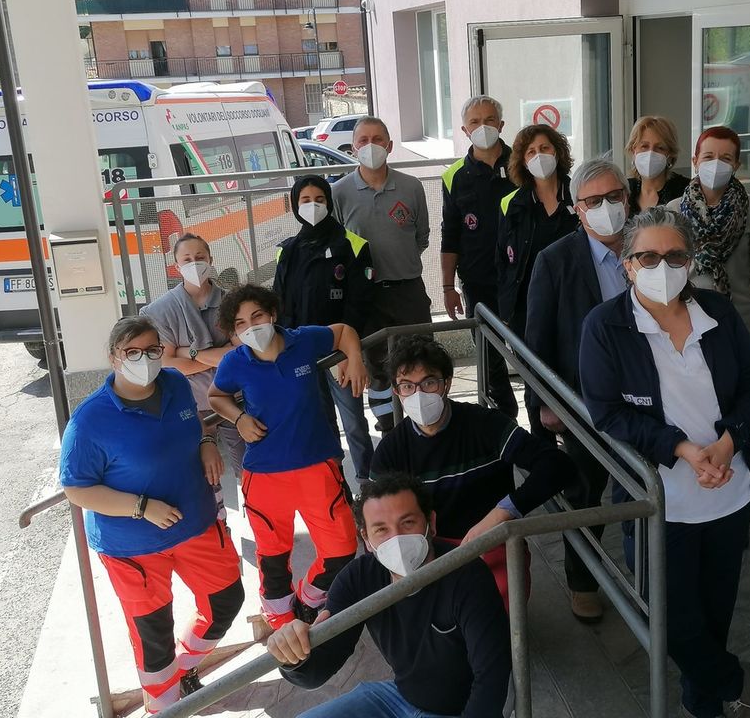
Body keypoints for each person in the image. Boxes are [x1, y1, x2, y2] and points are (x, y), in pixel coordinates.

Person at [580, 208, 750, 718]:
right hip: (657, 505)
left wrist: (728, 443)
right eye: (648, 256)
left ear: (690, 261)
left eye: (674, 255)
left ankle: (702, 705)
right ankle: (733, 681)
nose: (661, 266)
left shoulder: (718, 312)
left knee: (714, 615)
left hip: (728, 495)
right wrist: (681, 448)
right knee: (670, 622)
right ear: (627, 264)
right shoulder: (605, 326)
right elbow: (607, 412)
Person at [60, 317, 244, 713]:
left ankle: (185, 667)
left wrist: (206, 441)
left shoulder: (175, 383)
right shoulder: (89, 420)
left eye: (152, 350)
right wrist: (141, 507)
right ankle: (163, 707)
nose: (144, 359)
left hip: (195, 524)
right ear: (113, 357)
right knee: (153, 637)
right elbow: (76, 489)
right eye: (132, 352)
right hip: (133, 548)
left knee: (227, 600)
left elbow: (195, 420)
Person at [267, 473, 511, 718]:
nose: (396, 538)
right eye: (381, 529)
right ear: (366, 538)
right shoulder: (358, 579)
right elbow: (319, 669)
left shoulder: (466, 574)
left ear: (431, 522)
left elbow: (492, 674)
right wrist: (292, 653)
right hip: (397, 697)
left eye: (407, 523)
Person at [370, 335, 573, 607]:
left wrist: (502, 513)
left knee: (497, 614)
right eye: (407, 386)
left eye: (429, 382)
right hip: (428, 549)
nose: (418, 394)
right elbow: (375, 515)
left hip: (492, 541)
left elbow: (556, 465)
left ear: (446, 384)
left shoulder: (484, 425)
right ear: (397, 392)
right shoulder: (391, 451)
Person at [208, 284, 367, 629]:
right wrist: (239, 418)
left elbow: (343, 332)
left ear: (272, 314)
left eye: (257, 316)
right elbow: (216, 396)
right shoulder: (235, 361)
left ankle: (308, 600)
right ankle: (281, 621)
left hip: (317, 467)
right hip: (264, 476)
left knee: (341, 549)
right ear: (233, 331)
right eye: (240, 324)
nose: (251, 327)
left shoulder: (303, 340)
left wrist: (354, 359)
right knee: (273, 559)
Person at [525, 157, 630, 622]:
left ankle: (648, 574)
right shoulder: (555, 260)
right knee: (585, 491)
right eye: (594, 200)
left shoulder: (649, 246)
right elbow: (537, 340)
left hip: (650, 394)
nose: (607, 207)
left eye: (615, 196)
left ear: (628, 198)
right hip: (583, 401)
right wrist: (547, 402)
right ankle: (582, 581)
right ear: (577, 209)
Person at [332, 115, 432, 435]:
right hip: (366, 297)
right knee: (377, 369)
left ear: (389, 146)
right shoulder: (339, 192)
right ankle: (389, 429)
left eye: (378, 140)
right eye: (363, 140)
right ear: (353, 148)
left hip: (408, 291)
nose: (370, 146)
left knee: (420, 359)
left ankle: (424, 424)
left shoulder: (411, 187)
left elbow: (421, 237)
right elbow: (337, 246)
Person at [274, 174, 376, 480]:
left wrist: (348, 352)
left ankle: (367, 481)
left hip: (339, 351)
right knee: (321, 422)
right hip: (302, 352)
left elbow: (359, 303)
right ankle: (336, 482)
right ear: (295, 205)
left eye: (319, 199)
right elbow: (280, 305)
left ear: (329, 203)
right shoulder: (287, 251)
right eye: (305, 200)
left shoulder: (352, 245)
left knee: (354, 422)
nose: (313, 205)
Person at [141, 233, 245, 517]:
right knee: (204, 473)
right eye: (187, 259)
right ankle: (218, 523)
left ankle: (259, 514)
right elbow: (168, 364)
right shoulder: (161, 310)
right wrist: (216, 355)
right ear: (176, 266)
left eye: (200, 257)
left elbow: (239, 354)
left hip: (232, 398)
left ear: (211, 260)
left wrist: (192, 353)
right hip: (190, 406)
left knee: (248, 465)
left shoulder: (231, 302)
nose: (194, 263)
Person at [497, 124, 578, 441]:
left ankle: (579, 457)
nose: (539, 156)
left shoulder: (577, 194)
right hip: (526, 311)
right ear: (522, 160)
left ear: (557, 152)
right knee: (535, 387)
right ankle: (544, 457)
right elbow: (502, 261)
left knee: (573, 382)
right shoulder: (512, 204)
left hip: (572, 306)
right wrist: (506, 308)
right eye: (531, 151)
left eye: (545, 148)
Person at [441, 95, 519, 419]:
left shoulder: (522, 166)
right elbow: (450, 235)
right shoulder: (454, 176)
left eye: (489, 120)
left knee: (532, 353)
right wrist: (448, 287)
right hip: (478, 282)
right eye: (475, 121)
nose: (483, 127)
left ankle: (543, 422)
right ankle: (505, 419)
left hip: (522, 279)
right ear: (464, 129)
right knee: (489, 358)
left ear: (501, 125)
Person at [665, 126, 750, 355]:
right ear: (695, 161)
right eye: (708, 157)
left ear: (736, 165)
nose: (716, 164)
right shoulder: (674, 210)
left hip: (741, 321)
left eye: (725, 158)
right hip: (689, 320)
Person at [626, 115, 691, 212]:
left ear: (670, 156)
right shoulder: (624, 191)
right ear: (633, 151)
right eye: (644, 146)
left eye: (660, 148)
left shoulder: (687, 191)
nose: (650, 153)